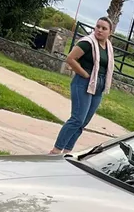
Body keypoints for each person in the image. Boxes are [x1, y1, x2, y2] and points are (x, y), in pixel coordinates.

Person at [49, 17, 116, 156]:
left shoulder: (108, 47)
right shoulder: (87, 43)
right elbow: (70, 59)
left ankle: (67, 152)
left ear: (110, 32)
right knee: (77, 119)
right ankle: (56, 151)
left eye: (104, 28)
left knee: (83, 122)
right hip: (84, 82)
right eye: (98, 26)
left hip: (99, 85)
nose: (99, 30)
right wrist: (84, 74)